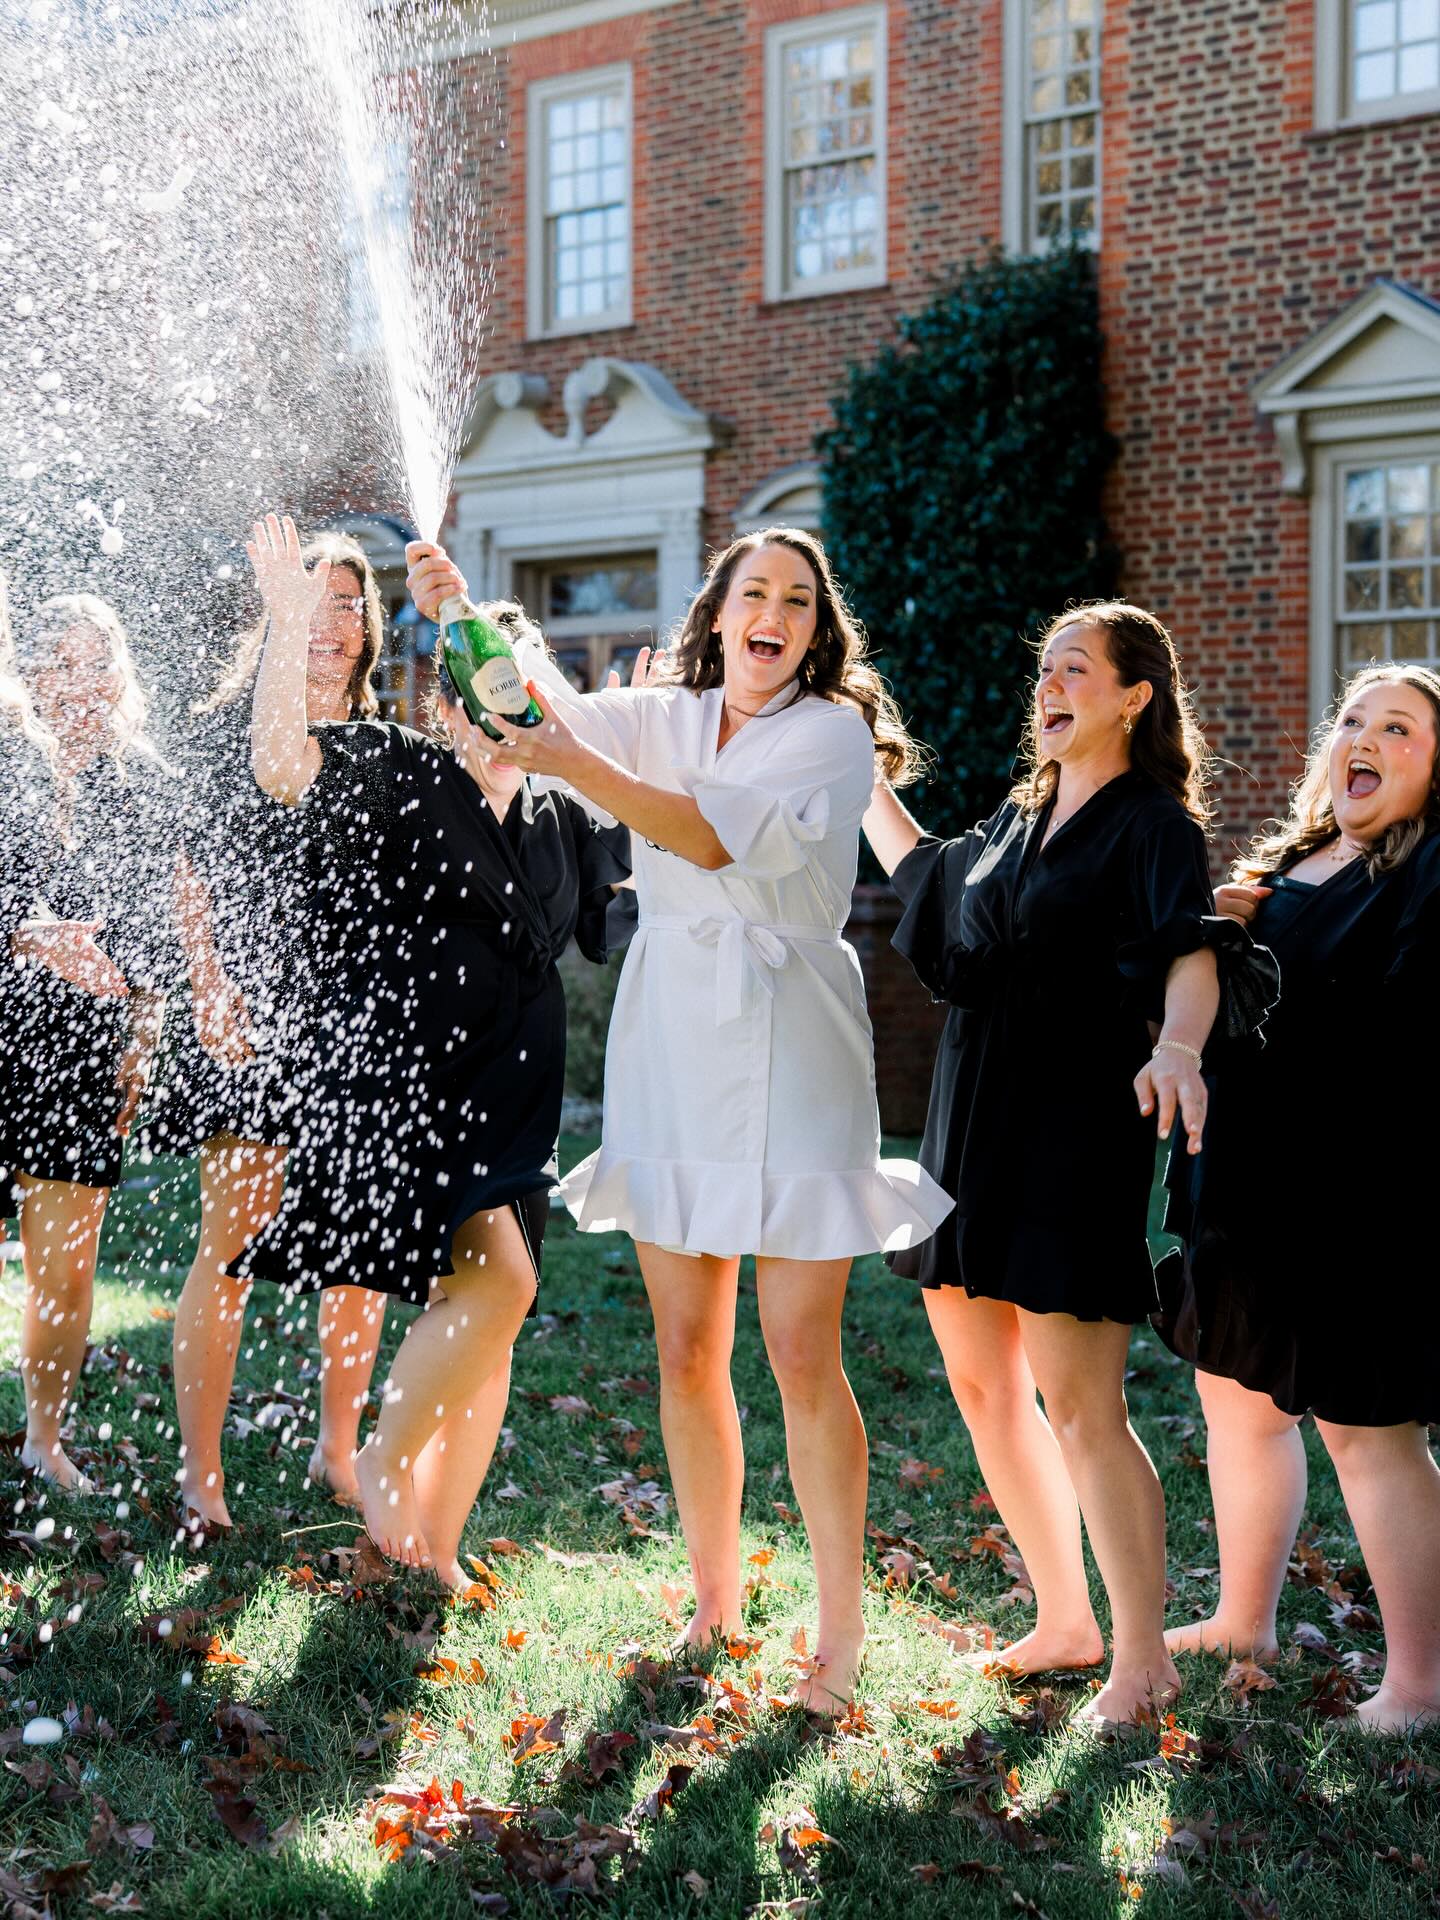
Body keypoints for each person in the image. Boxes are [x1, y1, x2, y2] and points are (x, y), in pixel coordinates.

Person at [407, 525, 952, 1713]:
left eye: (798, 601)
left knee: (802, 1354)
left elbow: (707, 834)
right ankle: (716, 1596)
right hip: (673, 1034)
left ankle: (840, 1631)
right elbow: (531, 711)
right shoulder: (668, 713)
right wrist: (464, 616)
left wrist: (570, 751)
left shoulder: (829, 733)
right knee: (686, 1350)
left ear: (817, 629)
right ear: (717, 613)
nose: (774, 614)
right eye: (753, 593)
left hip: (794, 1036)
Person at [863, 602, 1276, 1726]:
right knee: (982, 1382)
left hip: (1067, 1135)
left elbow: (1193, 951)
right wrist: (863, 782)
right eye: (1043, 667)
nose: (1049, 686)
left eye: (1075, 669)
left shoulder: (1153, 827)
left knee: (1083, 1405)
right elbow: (935, 895)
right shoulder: (1016, 816)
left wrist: (1181, 1047)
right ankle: (1062, 1621)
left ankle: (1142, 1664)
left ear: (1136, 696)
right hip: (966, 1124)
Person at [238, 516, 629, 1592]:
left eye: (526, 690)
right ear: (449, 700)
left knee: (492, 1320)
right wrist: (288, 628)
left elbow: (628, 912)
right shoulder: (399, 770)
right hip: (416, 1080)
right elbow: (280, 765)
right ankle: (374, 1460)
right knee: (497, 1287)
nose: (509, 706)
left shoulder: (564, 816)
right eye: (486, 688)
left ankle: (424, 1541)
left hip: (519, 1088)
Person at [1155, 663, 1440, 1733]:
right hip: (1240, 1179)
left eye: (1400, 730)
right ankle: (1243, 1618)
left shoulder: (1425, 874)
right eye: (1355, 721)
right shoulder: (1284, 865)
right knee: (1236, 1402)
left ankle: (1419, 1683)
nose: (1365, 739)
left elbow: (1405, 1029)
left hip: (1356, 1195)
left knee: (1368, 1430)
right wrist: (1223, 936)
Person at [150, 533, 390, 1530]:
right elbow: (187, 869)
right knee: (233, 1245)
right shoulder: (224, 733)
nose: (334, 622)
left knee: (358, 1254)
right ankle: (199, 1472)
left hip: (355, 1016)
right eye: (315, 600)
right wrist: (206, 984)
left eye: (351, 603)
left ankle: (339, 1451)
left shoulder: (385, 744)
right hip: (246, 1007)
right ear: (278, 616)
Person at [0, 593, 187, 1490]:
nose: (82, 684)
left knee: (66, 1273)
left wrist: (138, 1052)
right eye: (62, 665)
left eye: (98, 663)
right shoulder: (5, 763)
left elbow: (151, 942)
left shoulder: (143, 786)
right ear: (33, 676)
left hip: (83, 1048)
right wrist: (30, 934)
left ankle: (43, 1440)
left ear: (122, 676)